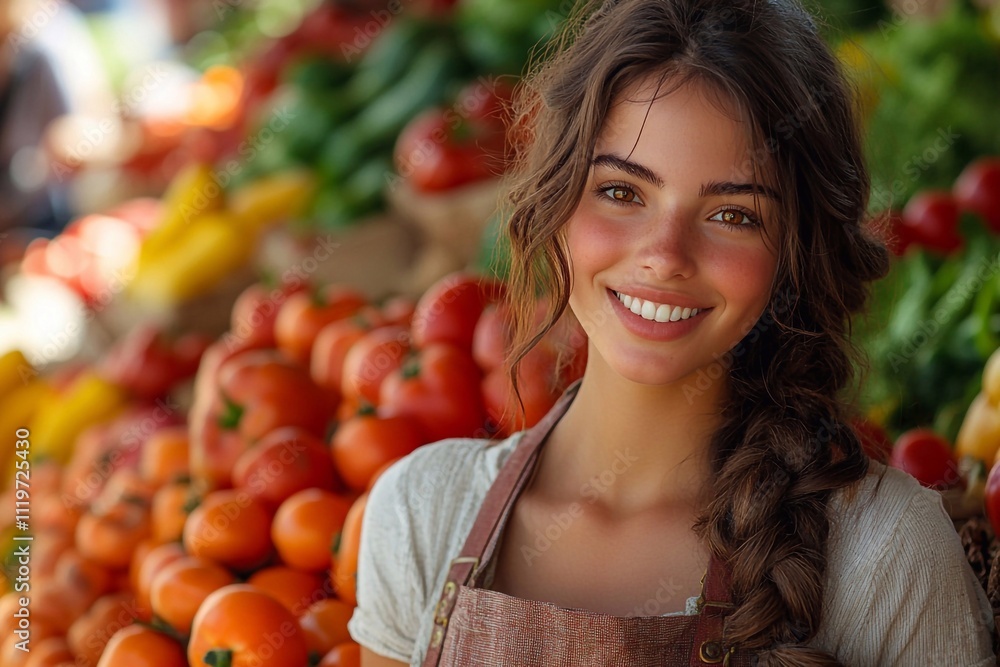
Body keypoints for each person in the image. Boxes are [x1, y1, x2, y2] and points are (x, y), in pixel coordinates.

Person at [347, 0, 996, 664]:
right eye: (622, 192)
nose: (664, 253)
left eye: (733, 214)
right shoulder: (420, 512)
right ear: (555, 201)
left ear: (797, 255)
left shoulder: (886, 553)